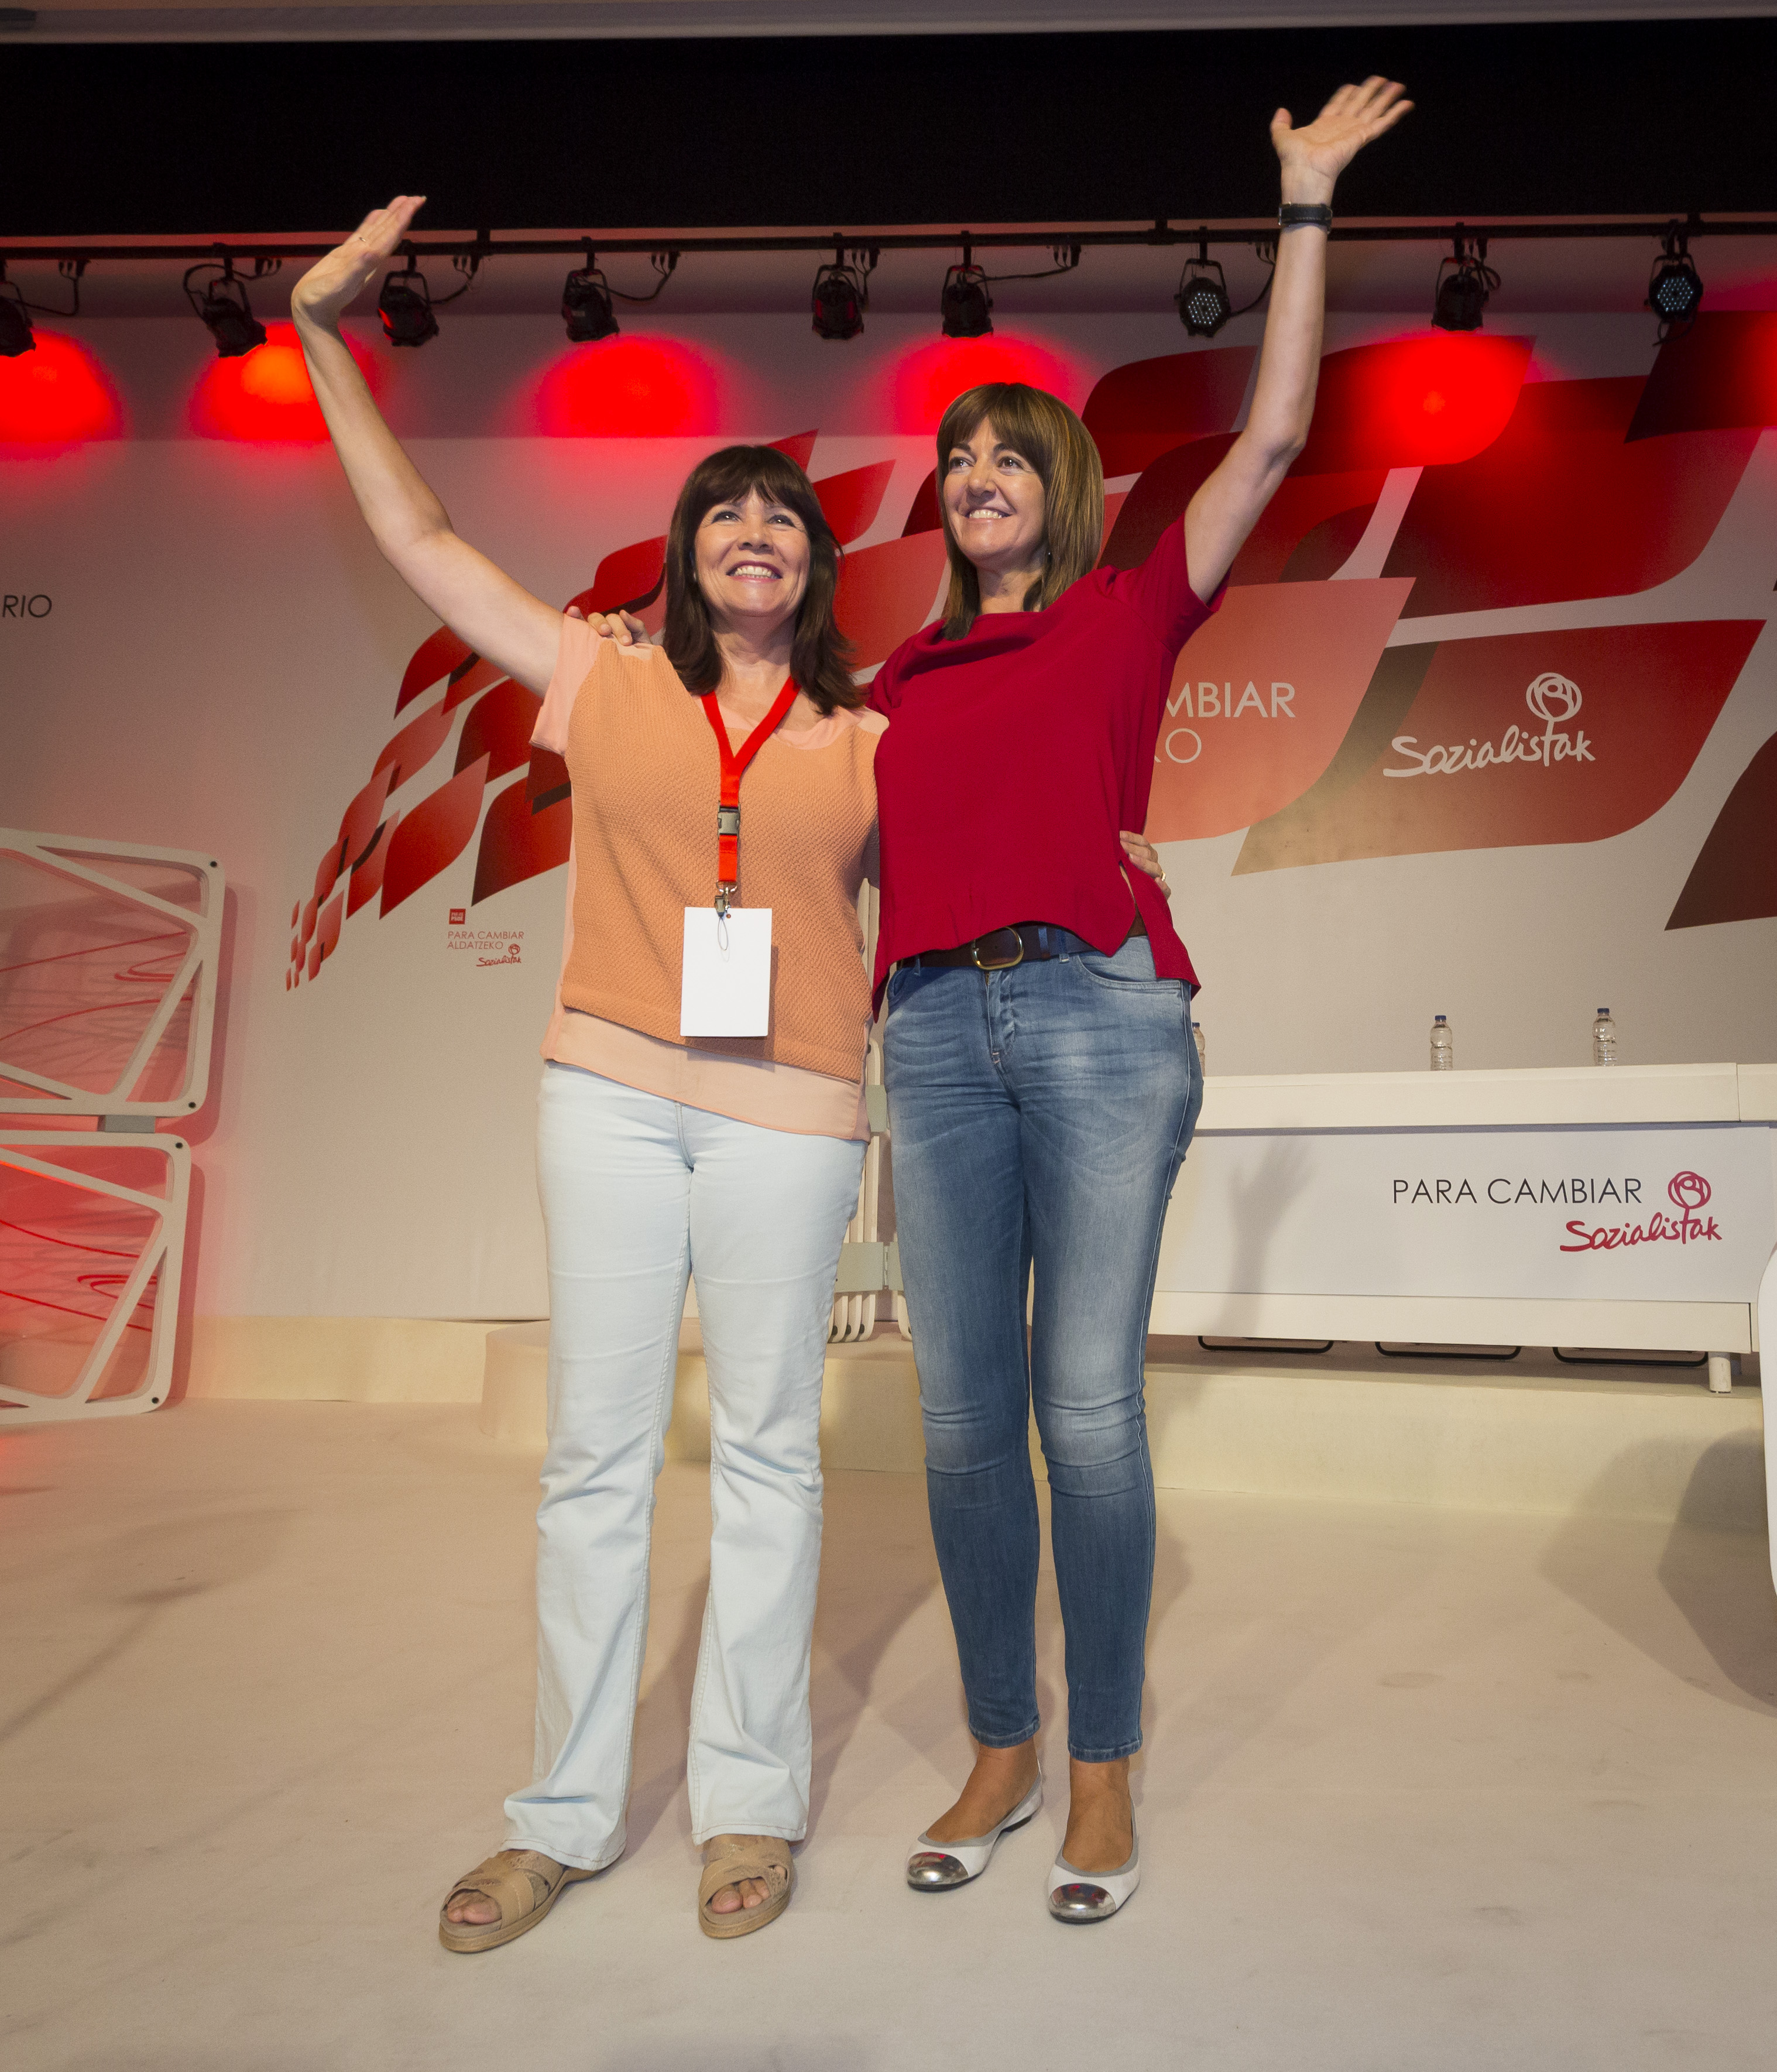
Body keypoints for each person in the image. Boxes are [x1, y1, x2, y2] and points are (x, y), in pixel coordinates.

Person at [291, 198, 888, 1944]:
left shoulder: (871, 737)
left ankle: (747, 1803)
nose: (757, 530)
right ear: (686, 555)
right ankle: (560, 1814)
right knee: (594, 1463)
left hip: (790, 1112)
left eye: (784, 516)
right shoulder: (602, 676)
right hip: (612, 1095)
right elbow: (419, 537)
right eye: (726, 512)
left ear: (813, 567)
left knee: (772, 1459)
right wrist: (321, 333)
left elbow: (997, 833)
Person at [869, 78, 1412, 1923]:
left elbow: (1271, 439)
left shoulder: (1124, 611)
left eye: (1009, 455)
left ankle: (1099, 1766)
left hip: (1097, 1019)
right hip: (930, 1032)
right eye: (958, 458)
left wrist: (1302, 202)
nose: (979, 475)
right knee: (959, 1422)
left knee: (1085, 1412)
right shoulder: (902, 675)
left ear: (1060, 487)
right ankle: (1000, 1746)